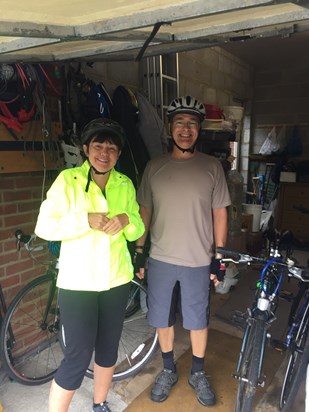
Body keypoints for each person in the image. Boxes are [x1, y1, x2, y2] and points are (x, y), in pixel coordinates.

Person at [35, 118, 145, 412]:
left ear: (119, 154)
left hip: (116, 280)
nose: (105, 153)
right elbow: (44, 226)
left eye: (112, 147)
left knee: (108, 350)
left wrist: (126, 220)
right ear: (85, 149)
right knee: (77, 356)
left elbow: (137, 228)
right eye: (98, 145)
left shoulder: (125, 184)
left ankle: (99, 404)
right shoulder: (67, 181)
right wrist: (84, 221)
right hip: (78, 283)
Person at [134, 96, 231, 407]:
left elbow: (220, 213)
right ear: (169, 128)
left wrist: (220, 257)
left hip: (198, 260)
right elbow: (144, 211)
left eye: (191, 124)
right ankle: (167, 369)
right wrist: (139, 251)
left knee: (197, 320)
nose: (185, 129)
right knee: (162, 318)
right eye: (179, 123)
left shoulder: (212, 167)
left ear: (199, 129)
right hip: (160, 258)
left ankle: (198, 373)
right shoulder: (154, 167)